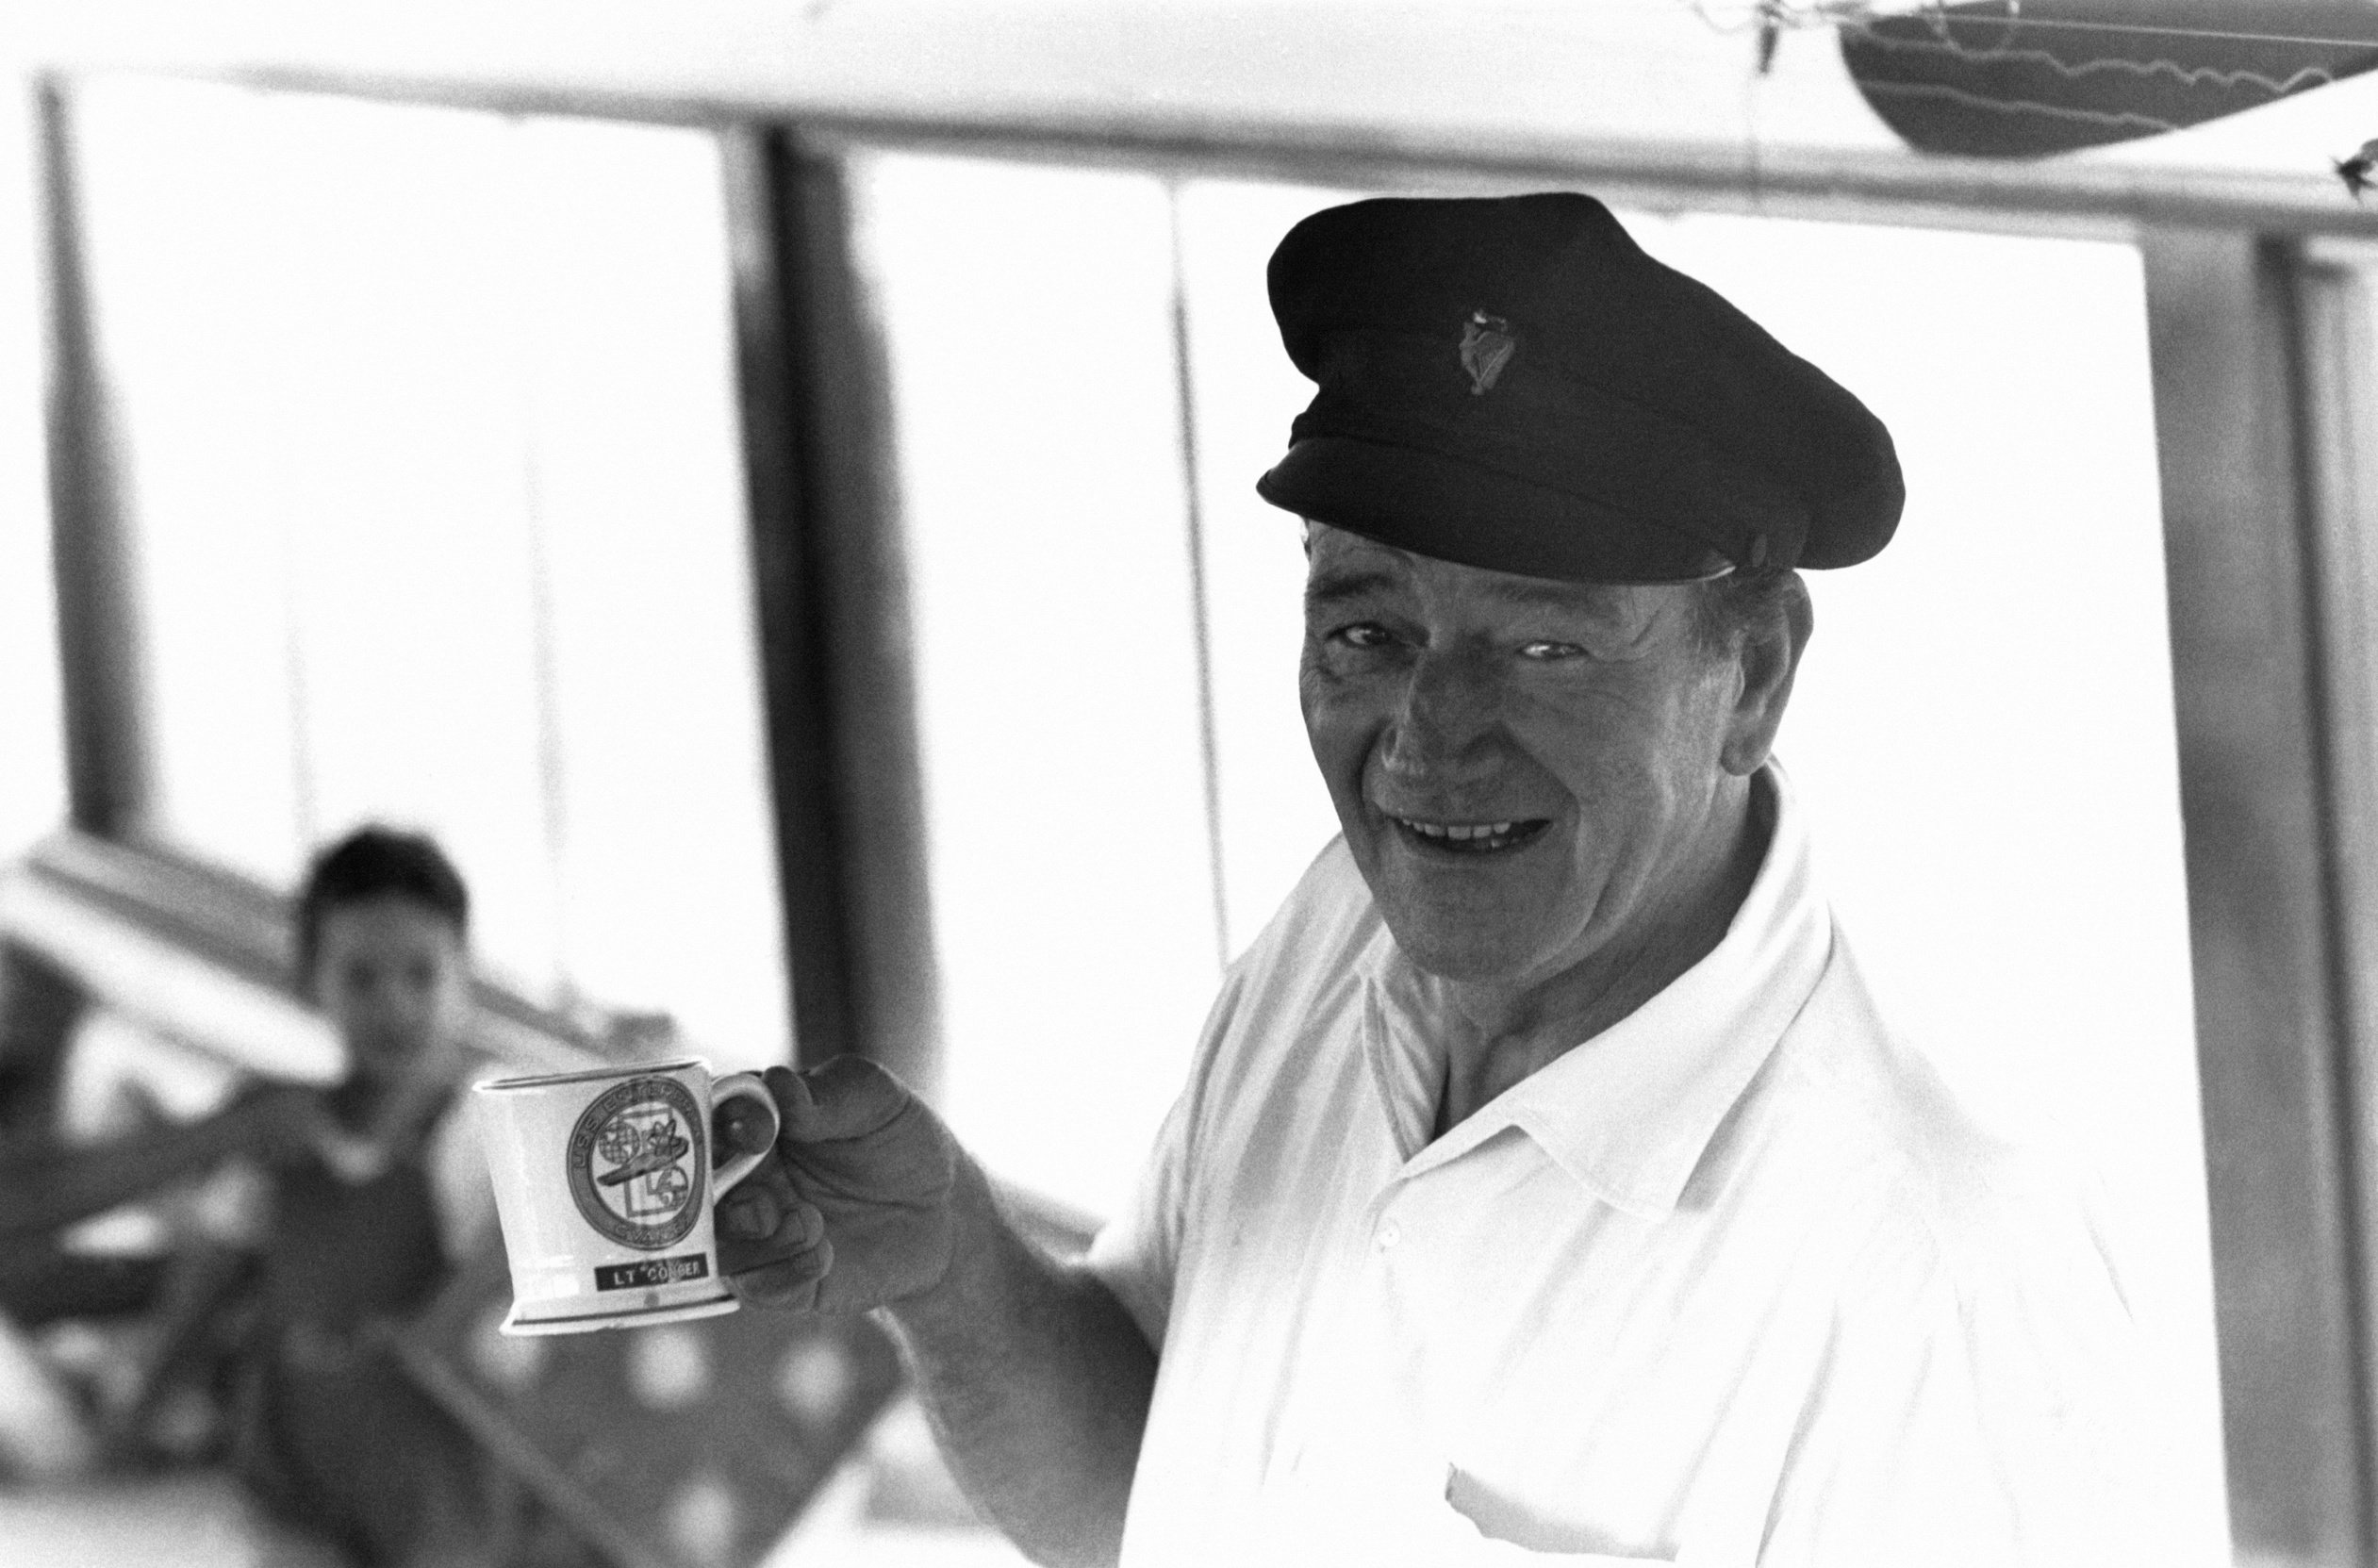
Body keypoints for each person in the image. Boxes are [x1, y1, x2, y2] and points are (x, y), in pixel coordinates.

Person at [715, 193, 2165, 1565]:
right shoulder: (1339, 927)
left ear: (1752, 678)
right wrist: (951, 1262)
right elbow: (1153, 1498)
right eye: (1366, 632)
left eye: (1543, 647)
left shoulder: (1937, 1269)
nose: (1425, 738)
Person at [221, 824, 502, 1568]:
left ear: (466, 976)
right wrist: (136, 1412)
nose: (395, 1005)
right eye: (361, 977)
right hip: (291, 1491)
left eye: (422, 974)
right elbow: (218, 1273)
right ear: (311, 981)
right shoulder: (273, 1129)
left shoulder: (482, 1134)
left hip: (447, 1508)